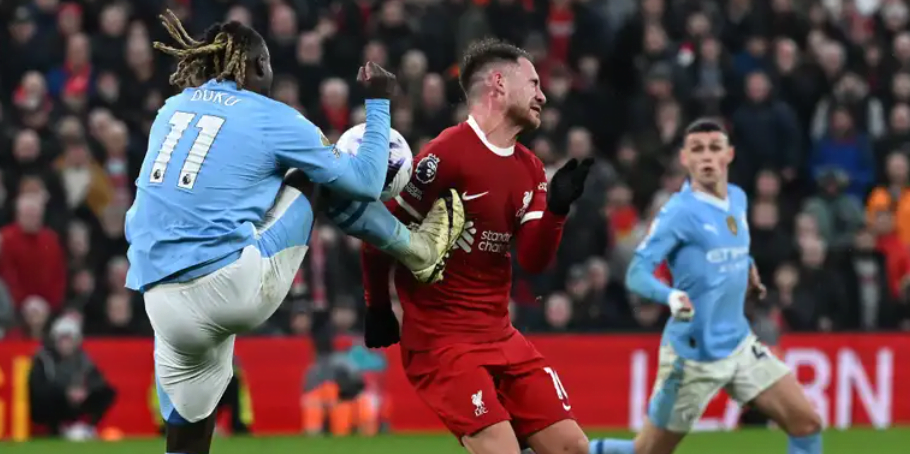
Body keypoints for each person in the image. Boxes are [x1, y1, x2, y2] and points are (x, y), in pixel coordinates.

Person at [126, 12, 463, 454]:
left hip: (159, 297)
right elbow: (364, 181)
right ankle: (418, 249)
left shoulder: (170, 110)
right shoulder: (270, 116)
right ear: (258, 66)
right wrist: (379, 102)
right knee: (319, 174)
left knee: (187, 437)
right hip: (228, 286)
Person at [361, 38, 593, 454]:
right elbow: (380, 235)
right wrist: (377, 307)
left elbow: (533, 260)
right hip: (442, 343)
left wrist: (557, 211)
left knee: (573, 447)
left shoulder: (530, 168)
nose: (542, 95)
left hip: (500, 335)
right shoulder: (447, 154)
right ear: (499, 84)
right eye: (534, 83)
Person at [588, 120, 823, 454]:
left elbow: (732, 247)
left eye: (714, 148)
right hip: (692, 356)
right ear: (685, 159)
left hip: (739, 344)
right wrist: (670, 295)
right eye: (697, 149)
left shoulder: (738, 199)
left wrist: (749, 270)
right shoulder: (679, 213)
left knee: (807, 424)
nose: (707, 156)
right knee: (647, 451)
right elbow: (636, 273)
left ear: (729, 154)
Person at [29, 316, 117, 440]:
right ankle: (56, 429)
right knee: (45, 397)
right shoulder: (43, 359)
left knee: (107, 392)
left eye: (69, 339)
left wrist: (86, 391)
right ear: (54, 340)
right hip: (53, 405)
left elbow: (98, 381)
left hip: (77, 401)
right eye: (62, 339)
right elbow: (37, 387)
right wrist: (65, 392)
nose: (65, 344)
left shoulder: (84, 359)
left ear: (76, 341)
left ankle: (87, 427)